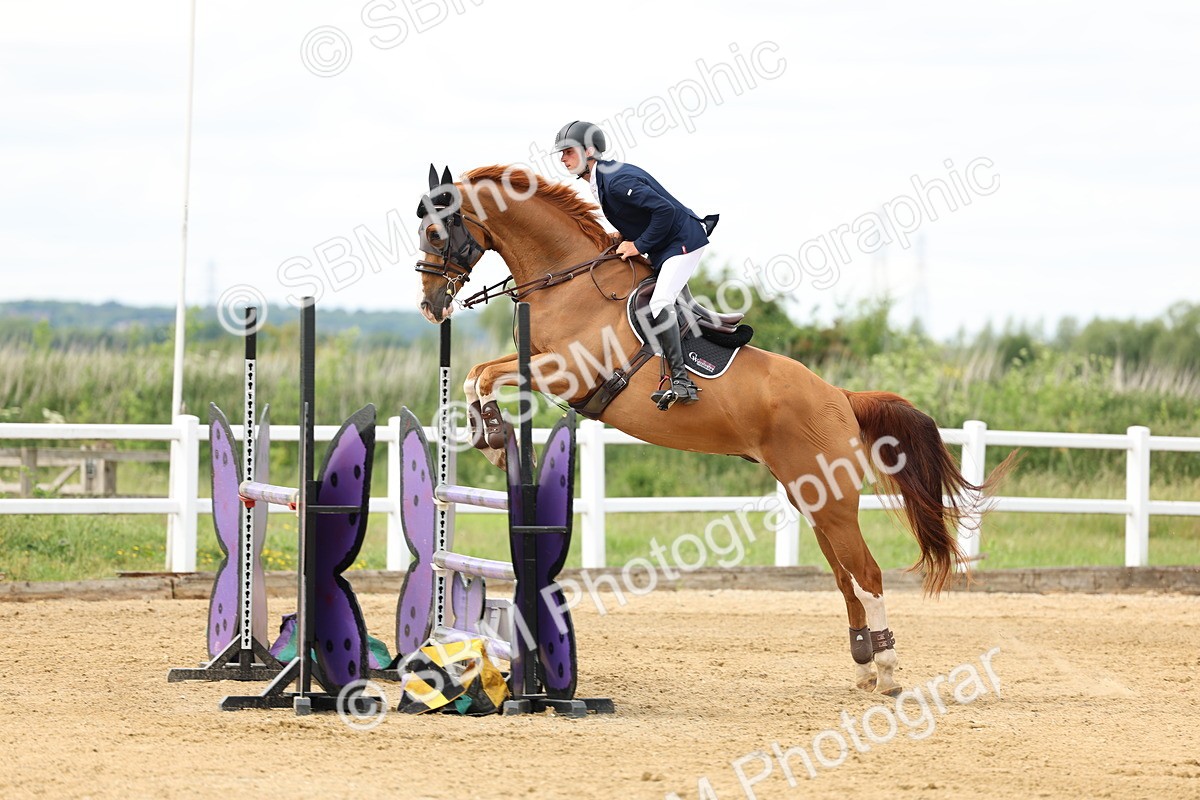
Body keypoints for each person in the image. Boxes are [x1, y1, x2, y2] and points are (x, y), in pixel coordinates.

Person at [552, 120, 718, 409]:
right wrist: (622, 237)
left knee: (659, 302)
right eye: (561, 153)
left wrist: (638, 245)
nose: (563, 159)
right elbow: (638, 215)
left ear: (589, 151)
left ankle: (682, 381)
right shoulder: (599, 179)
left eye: (568, 151)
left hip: (683, 242)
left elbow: (664, 211)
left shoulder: (615, 181)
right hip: (666, 243)